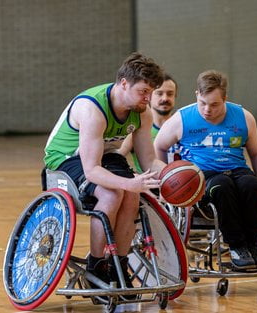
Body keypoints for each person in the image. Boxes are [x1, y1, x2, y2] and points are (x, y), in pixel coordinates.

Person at [43, 52, 166, 288]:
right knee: (112, 194)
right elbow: (92, 171)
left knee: (131, 196)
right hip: (67, 158)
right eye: (143, 92)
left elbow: (149, 161)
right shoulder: (93, 109)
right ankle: (96, 265)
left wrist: (175, 174)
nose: (148, 98)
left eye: (151, 92)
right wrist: (129, 183)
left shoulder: (142, 112)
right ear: (123, 84)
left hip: (106, 155)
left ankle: (117, 265)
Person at [154, 70, 257, 270]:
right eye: (202, 103)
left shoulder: (244, 117)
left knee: (253, 186)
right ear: (196, 95)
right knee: (222, 186)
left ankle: (254, 245)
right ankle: (237, 246)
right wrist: (165, 181)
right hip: (202, 175)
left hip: (237, 168)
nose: (207, 109)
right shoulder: (182, 118)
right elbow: (159, 146)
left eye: (214, 104)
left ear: (225, 99)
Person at [118, 73, 178, 172]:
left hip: (180, 182)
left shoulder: (182, 126)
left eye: (170, 94)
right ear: (149, 96)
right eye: (159, 93)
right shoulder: (138, 126)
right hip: (149, 184)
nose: (165, 98)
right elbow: (118, 156)